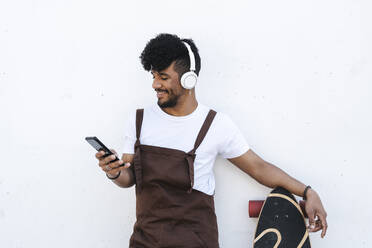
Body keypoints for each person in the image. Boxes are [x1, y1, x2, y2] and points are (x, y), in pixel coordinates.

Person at [95, 33, 328, 247]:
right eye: (154, 76)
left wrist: (307, 191)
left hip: (197, 242)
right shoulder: (139, 120)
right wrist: (113, 171)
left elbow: (259, 168)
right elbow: (129, 177)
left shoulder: (215, 124)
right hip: (145, 242)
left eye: (163, 77)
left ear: (188, 79)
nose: (156, 84)